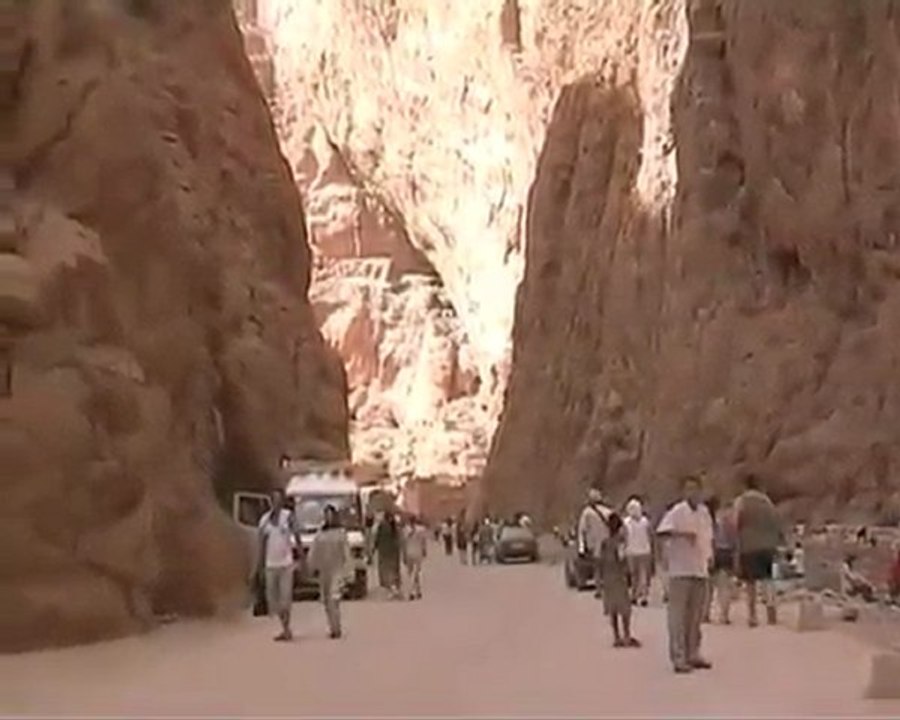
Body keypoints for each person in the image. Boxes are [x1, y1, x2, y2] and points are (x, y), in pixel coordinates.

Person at [656, 475, 714, 674]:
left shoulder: (704, 512)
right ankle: (678, 657)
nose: (693, 493)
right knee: (678, 616)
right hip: (680, 570)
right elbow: (661, 533)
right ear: (683, 491)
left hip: (700, 569)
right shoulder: (677, 511)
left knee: (695, 616)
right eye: (688, 489)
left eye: (696, 489)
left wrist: (710, 556)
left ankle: (693, 653)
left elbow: (708, 537)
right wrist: (681, 535)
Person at [733, 472, 783, 626]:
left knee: (751, 582)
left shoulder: (742, 501)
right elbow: (776, 521)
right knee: (768, 579)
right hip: (768, 545)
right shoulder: (767, 502)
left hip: (749, 545)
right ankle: (771, 611)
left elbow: (736, 522)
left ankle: (753, 615)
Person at [257, 488, 302, 642]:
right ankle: (284, 627)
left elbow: (297, 537)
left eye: (279, 499)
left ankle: (286, 628)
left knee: (285, 599)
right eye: (274, 499)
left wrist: (302, 559)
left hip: (286, 564)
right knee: (273, 601)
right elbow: (261, 545)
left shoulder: (288, 517)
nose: (276, 502)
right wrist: (259, 567)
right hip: (270, 565)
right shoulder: (264, 521)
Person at [308, 504, 350, 638]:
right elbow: (314, 551)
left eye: (330, 515)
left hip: (337, 568)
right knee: (326, 601)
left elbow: (346, 552)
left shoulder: (341, 533)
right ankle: (332, 626)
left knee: (334, 599)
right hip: (324, 570)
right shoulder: (321, 533)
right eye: (326, 515)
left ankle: (336, 628)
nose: (328, 517)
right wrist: (312, 566)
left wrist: (349, 570)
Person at [601, 512, 641, 648]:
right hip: (619, 576)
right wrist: (628, 573)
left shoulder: (605, 543)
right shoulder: (620, 542)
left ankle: (617, 636)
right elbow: (621, 558)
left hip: (608, 576)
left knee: (612, 608)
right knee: (625, 608)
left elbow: (601, 560)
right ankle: (627, 635)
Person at [705, 496, 736, 624]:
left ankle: (705, 613)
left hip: (711, 552)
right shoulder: (726, 520)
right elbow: (734, 538)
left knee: (708, 587)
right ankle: (724, 615)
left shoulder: (705, 521)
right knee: (724, 587)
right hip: (726, 552)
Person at [577, 487, 613, 599]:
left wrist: (581, 547)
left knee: (597, 568)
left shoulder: (586, 513)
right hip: (608, 543)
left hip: (593, 545)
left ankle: (599, 590)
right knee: (608, 568)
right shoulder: (608, 511)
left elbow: (581, 530)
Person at [623, 497, 653, 606]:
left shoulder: (626, 522)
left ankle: (634, 596)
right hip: (645, 551)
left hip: (631, 552)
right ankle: (643, 596)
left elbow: (624, 537)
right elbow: (650, 536)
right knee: (643, 575)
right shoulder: (645, 521)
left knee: (634, 576)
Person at [373, 510, 403, 599]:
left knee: (385, 570)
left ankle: (391, 588)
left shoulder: (382, 526)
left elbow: (377, 539)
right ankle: (395, 587)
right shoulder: (395, 526)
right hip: (394, 551)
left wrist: (374, 548)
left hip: (384, 551)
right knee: (394, 569)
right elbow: (399, 539)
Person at [403, 516, 428, 600]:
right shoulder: (421, 530)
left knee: (410, 573)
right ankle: (415, 591)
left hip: (409, 552)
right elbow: (424, 542)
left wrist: (403, 554)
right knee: (416, 573)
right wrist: (424, 551)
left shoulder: (406, 530)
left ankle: (416, 591)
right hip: (418, 553)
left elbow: (404, 543)